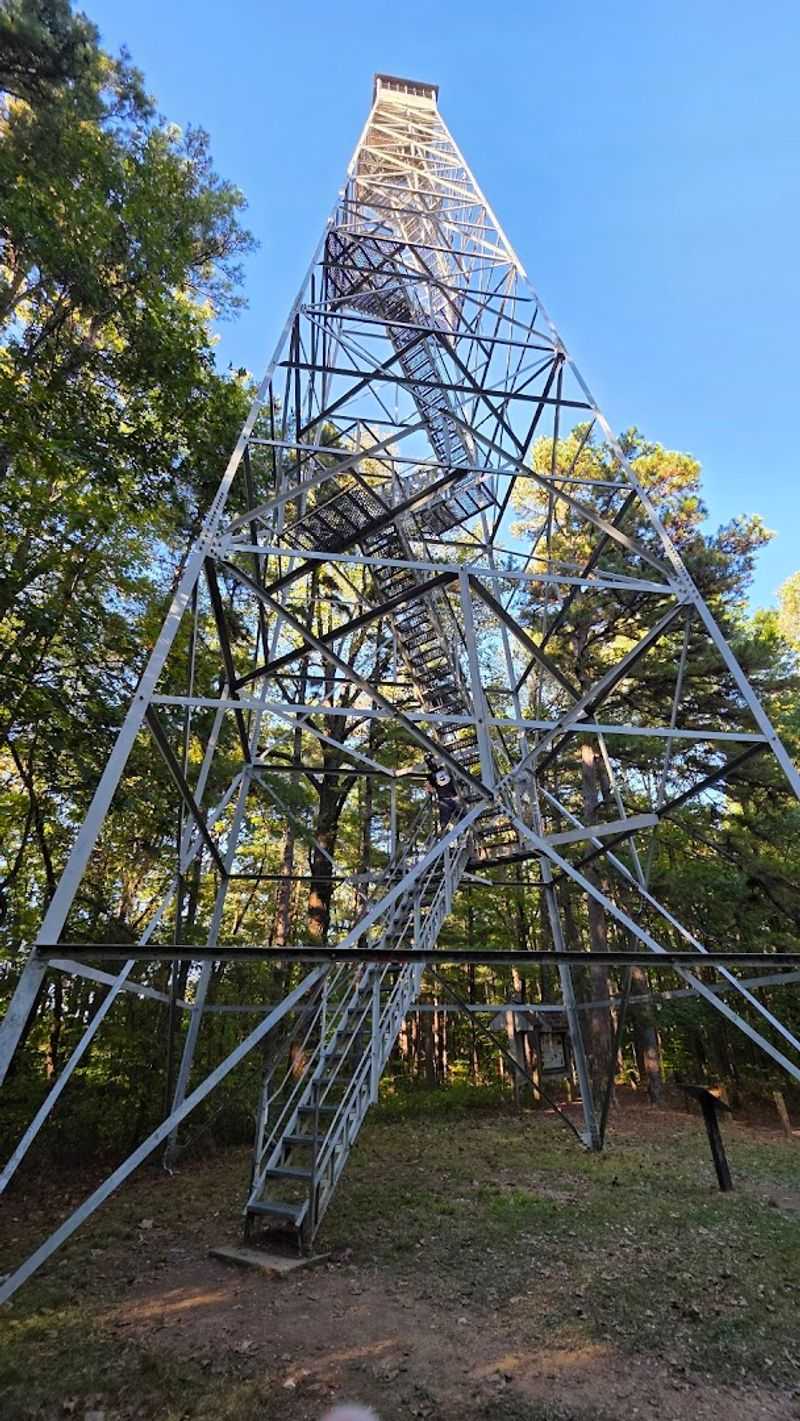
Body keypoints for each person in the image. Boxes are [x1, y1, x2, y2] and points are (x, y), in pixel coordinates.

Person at [424, 753, 461, 832]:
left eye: (431, 760)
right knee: (456, 817)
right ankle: (446, 833)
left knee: (456, 817)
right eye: (430, 761)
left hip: (448, 799)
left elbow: (428, 788)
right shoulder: (439, 771)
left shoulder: (440, 770)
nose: (432, 762)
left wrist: (430, 790)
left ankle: (462, 833)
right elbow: (428, 788)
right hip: (448, 799)